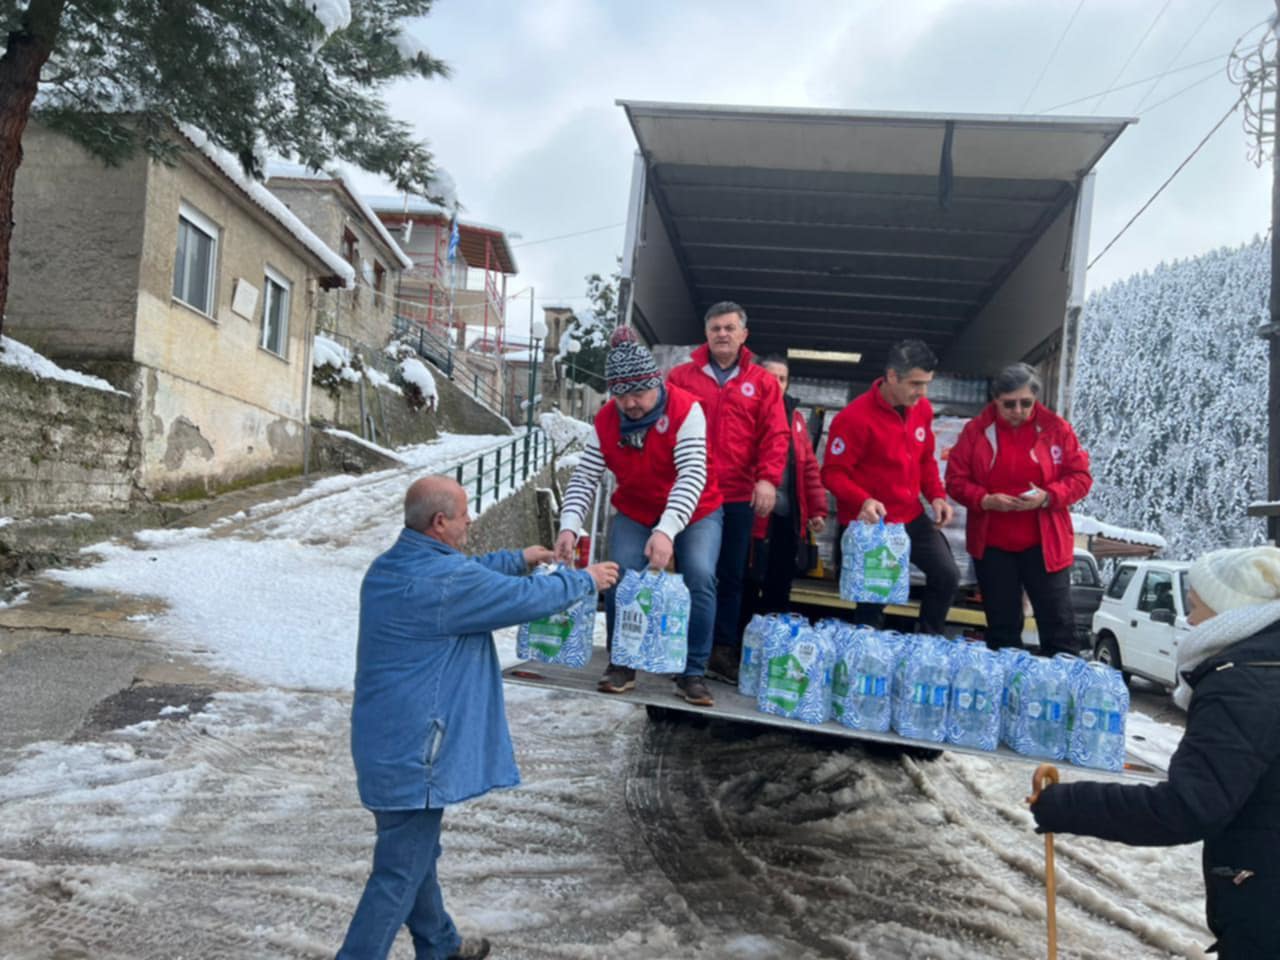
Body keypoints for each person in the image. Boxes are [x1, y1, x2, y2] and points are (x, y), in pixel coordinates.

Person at [339, 476, 619, 960]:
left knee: (415, 856)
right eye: (465, 513)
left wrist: (517, 559)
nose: (471, 520)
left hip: (381, 742)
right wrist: (585, 581)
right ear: (440, 522)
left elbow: (466, 576)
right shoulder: (449, 584)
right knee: (398, 874)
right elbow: (525, 601)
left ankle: (441, 946)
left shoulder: (389, 568)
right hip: (418, 752)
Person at [1030, 546, 1280, 958]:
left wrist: (1066, 804)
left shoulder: (1242, 687)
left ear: (1233, 613)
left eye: (1198, 607)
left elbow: (1186, 808)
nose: (1190, 621)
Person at [555, 327, 723, 707]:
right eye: (621, 395)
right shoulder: (606, 422)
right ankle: (623, 663)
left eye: (639, 394)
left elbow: (692, 474)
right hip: (636, 506)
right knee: (621, 572)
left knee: (699, 573)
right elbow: (586, 476)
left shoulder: (686, 409)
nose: (630, 403)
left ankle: (693, 671)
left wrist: (666, 530)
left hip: (697, 507)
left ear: (656, 385)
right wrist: (569, 526)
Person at [667, 301, 790, 682]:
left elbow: (776, 434)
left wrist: (768, 478)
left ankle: (721, 650)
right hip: (693, 492)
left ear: (743, 335)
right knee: (692, 573)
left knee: (732, 575)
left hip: (737, 493)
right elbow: (663, 428)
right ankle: (683, 649)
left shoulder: (764, 383)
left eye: (729, 328)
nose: (722, 334)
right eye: (716, 328)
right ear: (706, 334)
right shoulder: (680, 378)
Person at [944, 362, 1092, 657]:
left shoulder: (1056, 429)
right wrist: (985, 500)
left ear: (1036, 399)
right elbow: (955, 480)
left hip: (1045, 544)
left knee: (1058, 623)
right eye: (1009, 404)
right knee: (1002, 628)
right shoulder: (976, 431)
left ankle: (1063, 692)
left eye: (1026, 403)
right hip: (994, 545)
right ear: (995, 400)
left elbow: (1081, 478)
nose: (1018, 411)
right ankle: (1006, 690)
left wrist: (1048, 497)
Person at [820, 339, 959, 634]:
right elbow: (832, 474)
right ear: (892, 376)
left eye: (927, 385)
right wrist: (863, 500)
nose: (922, 393)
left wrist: (936, 496)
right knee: (872, 606)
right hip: (873, 525)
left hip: (909, 516)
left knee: (947, 575)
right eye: (916, 384)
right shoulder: (854, 418)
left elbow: (925, 460)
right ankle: (866, 658)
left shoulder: (921, 410)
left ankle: (926, 643)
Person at [742, 354, 828, 624]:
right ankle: (736, 646)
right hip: (754, 515)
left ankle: (772, 643)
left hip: (787, 518)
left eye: (783, 379)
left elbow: (809, 467)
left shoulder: (797, 419)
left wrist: (816, 509)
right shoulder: (746, 412)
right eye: (771, 377)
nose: (777, 384)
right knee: (747, 582)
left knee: (780, 584)